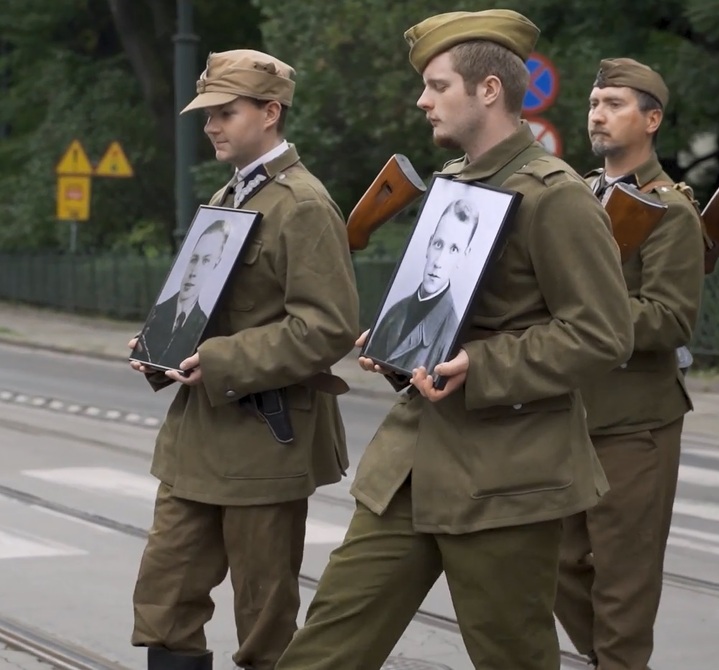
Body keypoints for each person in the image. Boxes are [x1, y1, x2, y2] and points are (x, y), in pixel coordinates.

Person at [275, 10, 633, 670]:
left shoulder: (555, 196)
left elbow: (602, 332)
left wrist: (482, 363)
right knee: (321, 652)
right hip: (410, 466)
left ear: (488, 89)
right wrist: (400, 343)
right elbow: (446, 307)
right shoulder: (457, 181)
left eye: (438, 85)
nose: (423, 99)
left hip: (504, 477)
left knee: (512, 658)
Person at [125, 49, 360, 670]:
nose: (211, 126)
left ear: (271, 112)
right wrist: (160, 346)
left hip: (265, 435)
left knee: (263, 619)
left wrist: (221, 358)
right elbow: (207, 301)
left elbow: (327, 326)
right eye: (207, 115)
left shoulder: (302, 204)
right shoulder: (234, 192)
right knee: (164, 602)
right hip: (199, 432)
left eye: (226, 113)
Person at [553, 57, 704, 670]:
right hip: (566, 414)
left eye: (614, 103)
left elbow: (669, 318)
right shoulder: (576, 196)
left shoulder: (670, 211)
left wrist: (583, 319)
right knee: (557, 564)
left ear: (652, 119)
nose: (598, 114)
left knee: (623, 578)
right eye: (594, 102)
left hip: (634, 422)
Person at [364, 197, 478, 374]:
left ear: (463, 256)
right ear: (429, 244)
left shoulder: (449, 336)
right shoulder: (395, 311)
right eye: (438, 244)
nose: (439, 262)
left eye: (453, 249)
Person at [135, 219, 230, 371]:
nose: (194, 271)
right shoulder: (157, 315)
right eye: (194, 259)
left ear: (215, 265)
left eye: (206, 261)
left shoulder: (204, 325)